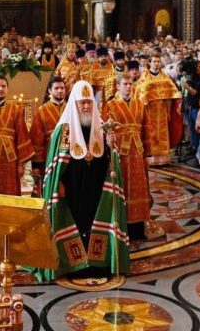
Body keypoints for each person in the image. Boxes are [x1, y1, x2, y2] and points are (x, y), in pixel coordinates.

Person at [33, 81, 130, 281]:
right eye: (81, 103)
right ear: (74, 104)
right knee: (76, 221)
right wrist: (59, 184)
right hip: (72, 187)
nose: (86, 106)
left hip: (95, 185)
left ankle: (96, 261)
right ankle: (74, 264)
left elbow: (109, 161)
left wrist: (111, 145)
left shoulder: (100, 127)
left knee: (92, 220)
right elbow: (56, 164)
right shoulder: (64, 130)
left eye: (88, 102)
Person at [101, 73, 150, 241]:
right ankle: (122, 226)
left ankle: (138, 228)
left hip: (137, 152)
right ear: (118, 86)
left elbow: (147, 128)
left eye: (130, 84)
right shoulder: (110, 105)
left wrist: (148, 154)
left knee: (138, 188)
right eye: (125, 84)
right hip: (119, 151)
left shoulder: (140, 104)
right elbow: (104, 129)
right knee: (122, 186)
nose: (129, 87)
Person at [137, 52, 183, 166]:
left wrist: (169, 108)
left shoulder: (165, 77)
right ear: (150, 63)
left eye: (158, 61)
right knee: (150, 132)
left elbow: (173, 93)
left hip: (162, 110)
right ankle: (150, 156)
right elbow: (139, 93)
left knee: (162, 133)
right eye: (154, 61)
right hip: (149, 110)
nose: (156, 63)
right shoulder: (144, 76)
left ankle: (162, 157)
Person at [30, 77, 66, 196]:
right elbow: (36, 140)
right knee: (50, 191)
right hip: (48, 157)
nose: (60, 91)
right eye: (56, 88)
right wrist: (36, 165)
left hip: (69, 157)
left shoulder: (71, 108)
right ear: (50, 91)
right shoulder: (42, 111)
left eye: (62, 88)